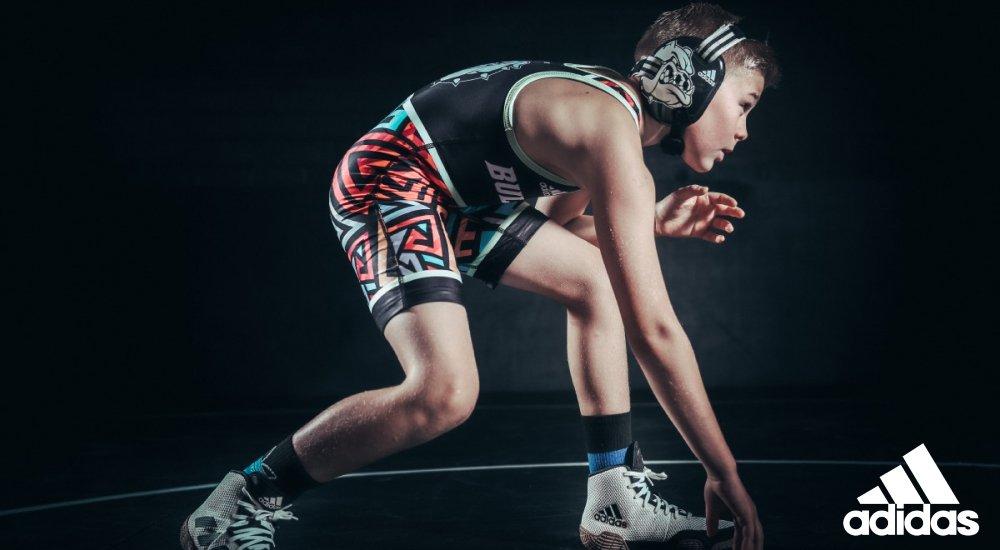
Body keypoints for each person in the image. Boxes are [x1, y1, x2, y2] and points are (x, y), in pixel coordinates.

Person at [180, 3, 780, 549]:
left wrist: (646, 222)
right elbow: (655, 331)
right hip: (392, 177)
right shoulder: (607, 133)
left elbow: (557, 233)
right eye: (744, 105)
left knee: (594, 282)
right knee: (442, 393)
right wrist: (722, 472)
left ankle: (615, 501)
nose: (744, 130)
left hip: (453, 197)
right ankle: (241, 501)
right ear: (691, 79)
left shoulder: (602, 120)